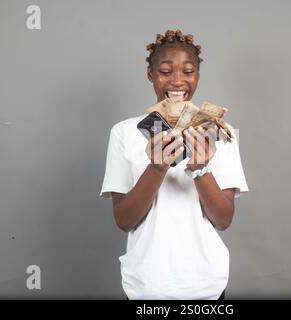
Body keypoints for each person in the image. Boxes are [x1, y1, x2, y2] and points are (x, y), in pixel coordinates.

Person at [100, 30, 249, 300]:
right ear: (150, 74)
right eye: (165, 71)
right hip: (146, 285)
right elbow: (124, 220)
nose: (177, 81)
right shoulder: (124, 132)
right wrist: (156, 168)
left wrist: (200, 169)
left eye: (188, 71)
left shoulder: (221, 132)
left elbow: (223, 219)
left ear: (198, 75)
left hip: (206, 285)